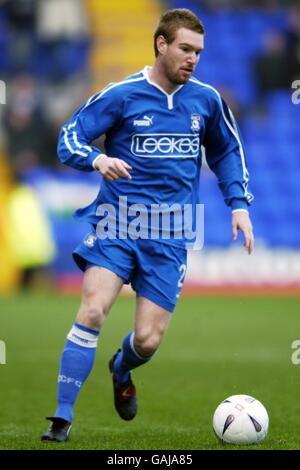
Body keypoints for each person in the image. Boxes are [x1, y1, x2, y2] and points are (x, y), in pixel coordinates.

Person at [42, 8, 254, 442]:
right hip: (117, 221)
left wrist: (239, 205)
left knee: (148, 341)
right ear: (161, 44)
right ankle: (62, 418)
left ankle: (121, 368)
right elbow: (69, 137)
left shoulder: (207, 101)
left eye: (198, 52)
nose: (193, 59)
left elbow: (227, 153)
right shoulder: (122, 94)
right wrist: (97, 159)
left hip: (172, 232)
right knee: (93, 308)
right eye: (185, 49)